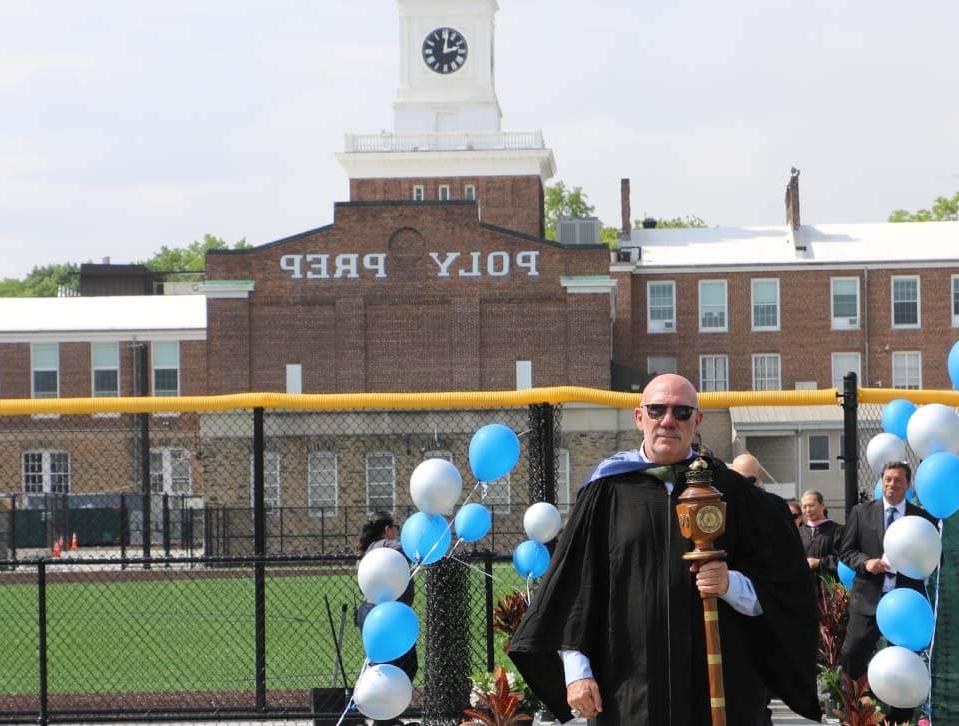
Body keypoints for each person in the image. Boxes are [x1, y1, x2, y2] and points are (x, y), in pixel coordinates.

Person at [508, 374, 821, 725]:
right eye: (657, 410)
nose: (668, 421)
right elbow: (574, 589)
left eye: (682, 412)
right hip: (629, 687)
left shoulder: (732, 493)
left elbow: (787, 588)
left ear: (697, 421)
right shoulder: (606, 491)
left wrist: (730, 584)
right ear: (639, 417)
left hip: (718, 690)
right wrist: (577, 672)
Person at [839, 461, 938, 725]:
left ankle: (899, 719)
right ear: (881, 481)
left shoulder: (922, 518)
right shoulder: (862, 512)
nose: (892, 484)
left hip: (905, 605)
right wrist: (866, 563)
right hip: (868, 600)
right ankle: (856, 713)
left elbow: (931, 556)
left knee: (904, 663)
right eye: (887, 479)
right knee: (852, 656)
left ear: (908, 485)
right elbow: (846, 552)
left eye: (898, 480)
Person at [355, 512, 418, 726]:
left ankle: (385, 717)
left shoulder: (369, 551)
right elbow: (403, 549)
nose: (397, 533)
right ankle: (384, 718)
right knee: (401, 666)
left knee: (383, 666)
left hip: (374, 614)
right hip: (386, 615)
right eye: (396, 528)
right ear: (388, 529)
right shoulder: (387, 546)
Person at [798, 490, 844, 584]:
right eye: (804, 507)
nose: (808, 510)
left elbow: (843, 558)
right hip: (804, 587)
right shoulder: (799, 532)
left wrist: (820, 563)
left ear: (822, 505)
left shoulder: (837, 530)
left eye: (811, 505)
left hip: (830, 588)